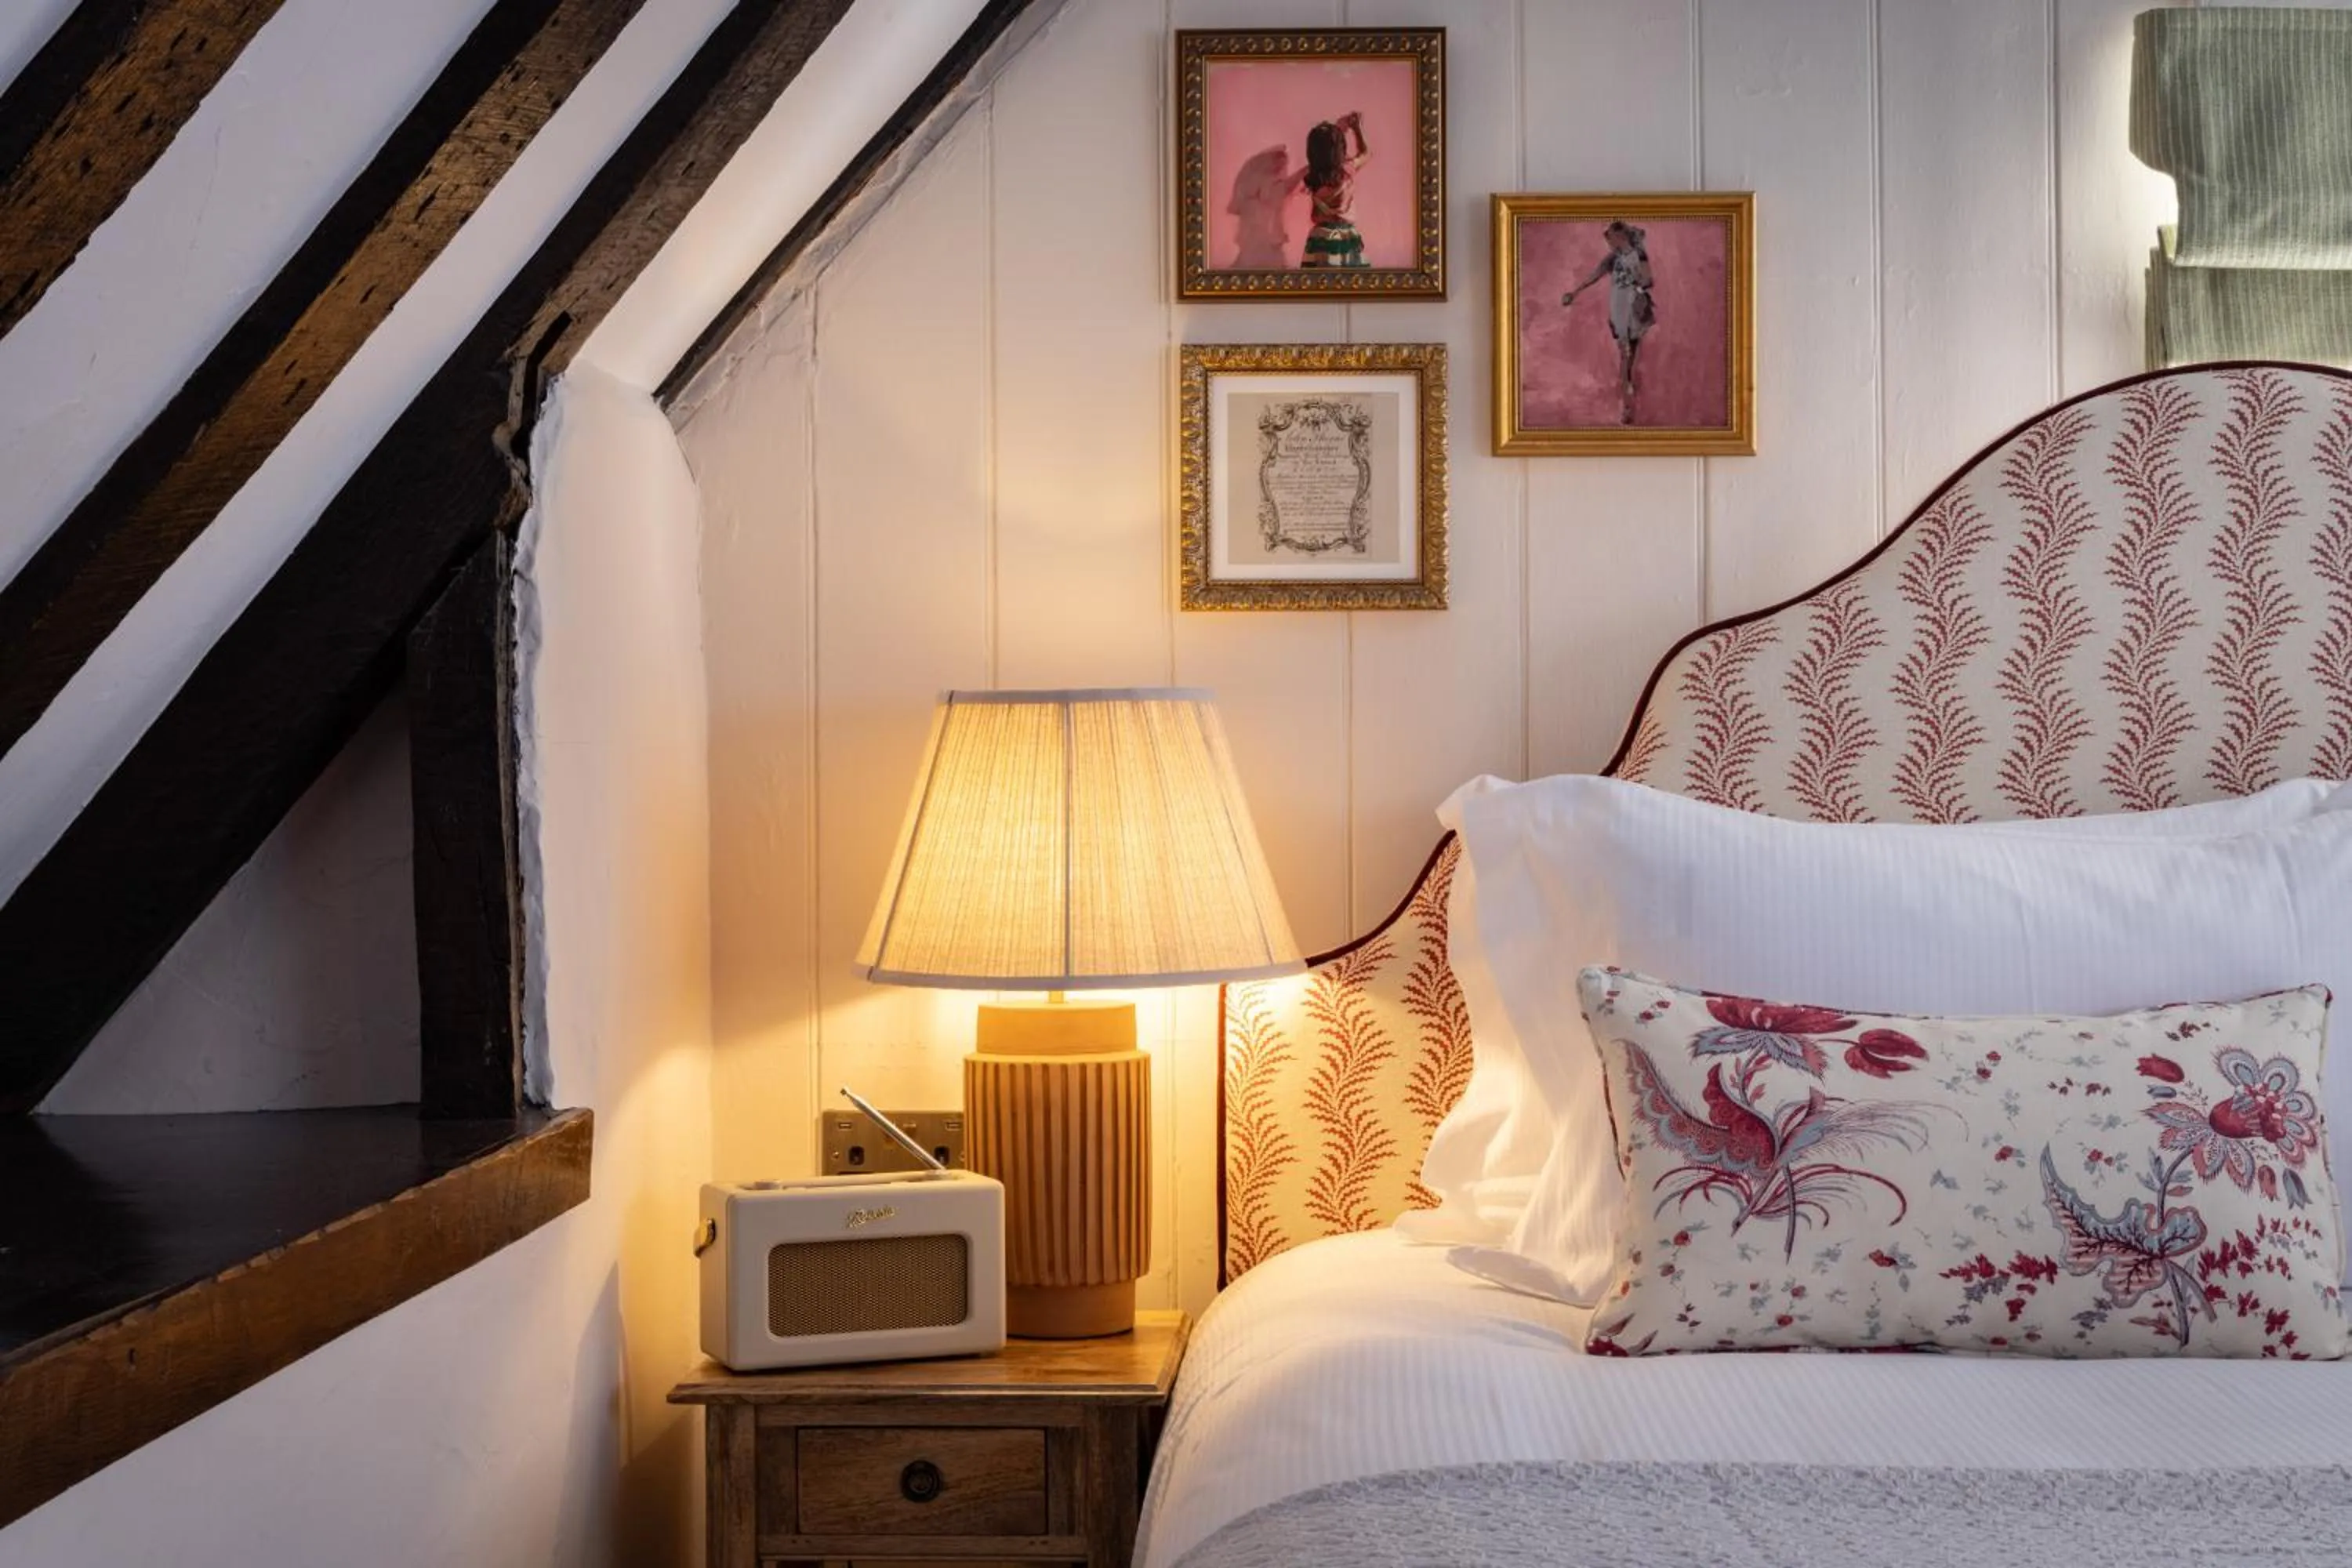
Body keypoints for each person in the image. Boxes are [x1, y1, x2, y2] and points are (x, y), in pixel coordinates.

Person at [1560, 220, 1655, 424]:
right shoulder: (1614, 258)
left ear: (1620, 237)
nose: (1608, 242)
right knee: (1625, 355)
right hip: (1619, 309)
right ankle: (1627, 402)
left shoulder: (1638, 255)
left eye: (1610, 238)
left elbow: (1648, 281)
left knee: (1630, 355)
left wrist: (1638, 288)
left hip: (1634, 308)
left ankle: (1629, 399)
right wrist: (1574, 293)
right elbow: (1595, 275)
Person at [1301, 112, 1369, 269]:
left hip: (1320, 237)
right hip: (1346, 236)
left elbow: (1325, 153)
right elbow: (1366, 153)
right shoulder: (1347, 171)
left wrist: (1333, 134)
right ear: (1340, 149)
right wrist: (1357, 129)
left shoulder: (1312, 177)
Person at [1225, 145, 1309, 269]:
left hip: (1263, 241)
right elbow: (1284, 188)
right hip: (1260, 241)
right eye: (1280, 166)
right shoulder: (1263, 186)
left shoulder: (1262, 187)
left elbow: (1286, 188)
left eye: (1283, 166)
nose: (1282, 170)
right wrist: (1306, 170)